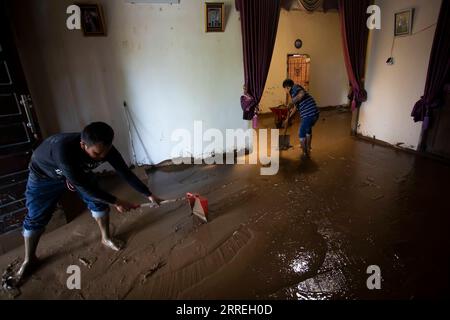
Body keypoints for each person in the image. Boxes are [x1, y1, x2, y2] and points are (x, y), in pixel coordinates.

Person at [16, 122, 162, 283]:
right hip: (44, 176)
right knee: (36, 215)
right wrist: (117, 201)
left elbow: (125, 173)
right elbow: (84, 187)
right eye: (97, 154)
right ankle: (29, 259)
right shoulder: (63, 150)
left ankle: (106, 238)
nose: (102, 157)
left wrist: (148, 194)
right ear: (82, 145)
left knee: (99, 203)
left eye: (105, 153)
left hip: (78, 172)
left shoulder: (106, 150)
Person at [282, 79, 320, 159]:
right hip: (314, 112)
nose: (285, 91)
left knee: (301, 132)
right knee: (308, 129)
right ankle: (308, 147)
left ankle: (305, 153)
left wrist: (291, 102)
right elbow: (296, 107)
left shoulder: (295, 88)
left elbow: (302, 93)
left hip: (309, 113)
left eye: (284, 89)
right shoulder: (293, 93)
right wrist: (288, 119)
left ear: (287, 87)